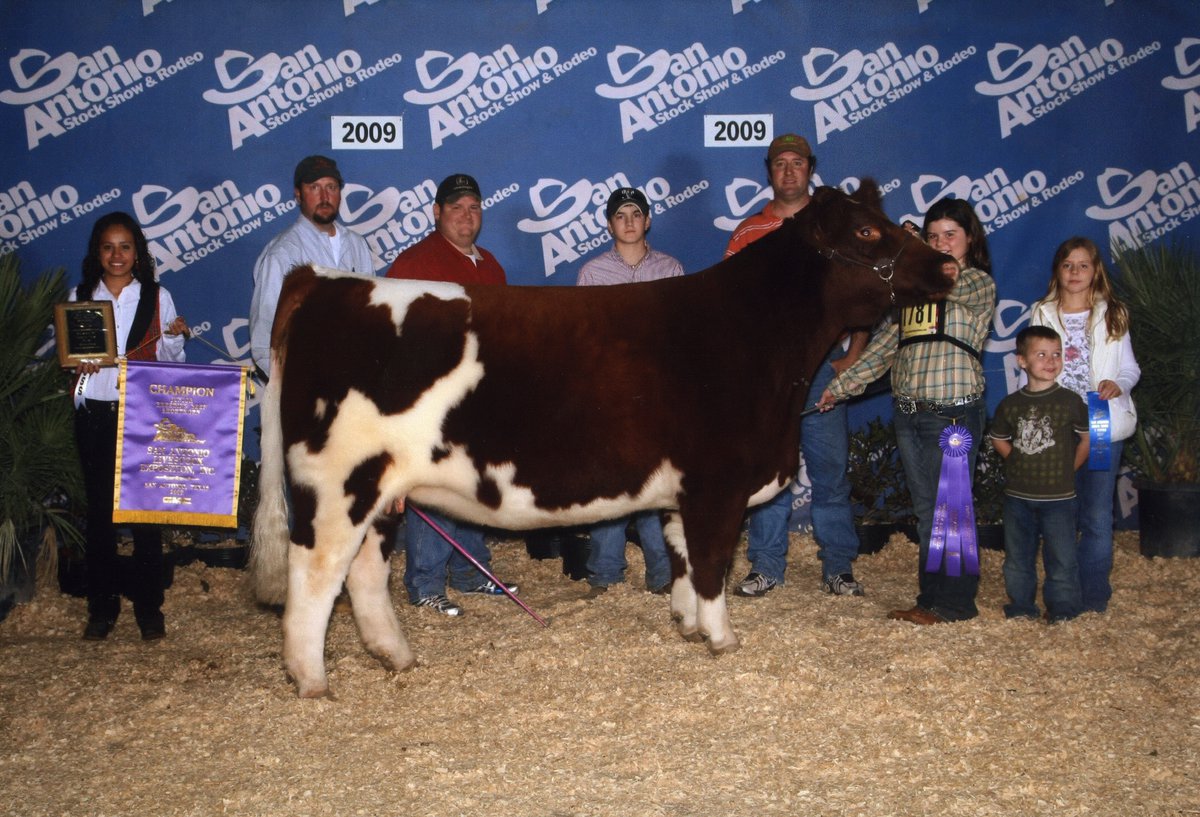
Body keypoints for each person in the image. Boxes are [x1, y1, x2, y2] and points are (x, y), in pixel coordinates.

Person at [821, 197, 996, 624]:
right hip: (911, 411)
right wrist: (839, 388)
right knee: (927, 510)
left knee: (951, 507)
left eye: (949, 236)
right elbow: (881, 349)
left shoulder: (977, 283)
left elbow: (956, 286)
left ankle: (954, 604)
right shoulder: (911, 296)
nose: (940, 243)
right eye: (933, 237)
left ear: (969, 240)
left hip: (952, 411)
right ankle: (931, 599)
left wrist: (927, 262)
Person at [725, 132, 869, 599]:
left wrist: (853, 355)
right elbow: (730, 306)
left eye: (798, 163)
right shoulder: (748, 232)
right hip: (768, 370)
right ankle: (766, 565)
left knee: (829, 470)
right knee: (769, 471)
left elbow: (862, 294)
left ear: (811, 168)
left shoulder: (835, 228)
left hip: (823, 363)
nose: (789, 171)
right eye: (780, 164)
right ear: (769, 171)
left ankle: (838, 566)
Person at [386, 173, 518, 616]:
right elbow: (395, 340)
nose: (466, 216)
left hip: (479, 394)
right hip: (431, 398)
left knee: (471, 483)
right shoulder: (413, 264)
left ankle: (470, 570)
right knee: (435, 484)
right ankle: (425, 580)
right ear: (436, 212)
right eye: (456, 207)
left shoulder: (491, 266)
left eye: (474, 207)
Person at [70, 212, 189, 641]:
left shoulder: (158, 296)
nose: (116, 255)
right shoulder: (80, 295)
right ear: (96, 253)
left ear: (136, 253)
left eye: (124, 247)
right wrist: (77, 364)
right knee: (101, 514)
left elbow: (171, 360)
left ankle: (149, 609)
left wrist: (174, 335)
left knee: (144, 514)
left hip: (143, 411)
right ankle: (101, 608)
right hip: (95, 412)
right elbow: (70, 358)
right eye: (107, 247)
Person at [576, 187, 684, 595]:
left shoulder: (671, 269)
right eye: (620, 215)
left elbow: (680, 337)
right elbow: (585, 339)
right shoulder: (592, 273)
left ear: (648, 220)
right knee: (610, 482)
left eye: (635, 213)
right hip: (611, 392)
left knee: (654, 483)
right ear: (609, 224)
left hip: (656, 394)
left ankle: (661, 572)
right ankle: (606, 573)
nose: (628, 221)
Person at [1029, 237, 1139, 613]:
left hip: (1100, 423)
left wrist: (1118, 384)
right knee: (1059, 516)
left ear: (1096, 272)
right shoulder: (1042, 312)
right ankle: (1062, 598)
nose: (1075, 273)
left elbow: (1129, 367)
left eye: (1083, 265)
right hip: (1057, 427)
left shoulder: (1113, 312)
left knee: (1095, 516)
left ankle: (1093, 600)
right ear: (1057, 271)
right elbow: (1032, 363)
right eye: (1067, 265)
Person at [990, 326, 1090, 621]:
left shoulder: (1070, 401)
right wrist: (1016, 460)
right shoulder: (1011, 404)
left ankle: (1062, 610)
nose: (1051, 361)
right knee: (1018, 558)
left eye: (1056, 354)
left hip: (1059, 497)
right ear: (1022, 361)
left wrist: (1069, 469)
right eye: (1042, 354)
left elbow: (1086, 439)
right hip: (1018, 497)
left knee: (1062, 558)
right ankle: (1021, 608)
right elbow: (998, 438)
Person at [249, 155, 374, 377]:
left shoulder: (357, 244)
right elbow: (263, 339)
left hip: (356, 382)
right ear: (298, 194)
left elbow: (371, 318)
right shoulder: (282, 253)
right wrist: (295, 388)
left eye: (331, 187)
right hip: (304, 383)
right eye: (314, 187)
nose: (325, 196)